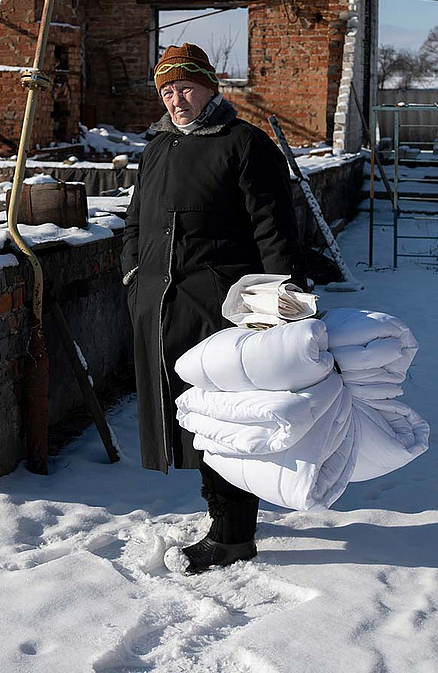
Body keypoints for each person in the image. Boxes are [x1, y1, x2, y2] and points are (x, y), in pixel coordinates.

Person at [121, 43, 306, 573]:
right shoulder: (157, 147)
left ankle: (231, 535)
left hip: (223, 311)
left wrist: (280, 303)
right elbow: (135, 224)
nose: (176, 99)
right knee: (188, 420)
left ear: (209, 87)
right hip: (162, 307)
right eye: (166, 90)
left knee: (223, 421)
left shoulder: (244, 144)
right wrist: (134, 276)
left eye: (185, 87)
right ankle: (221, 519)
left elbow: (276, 230)